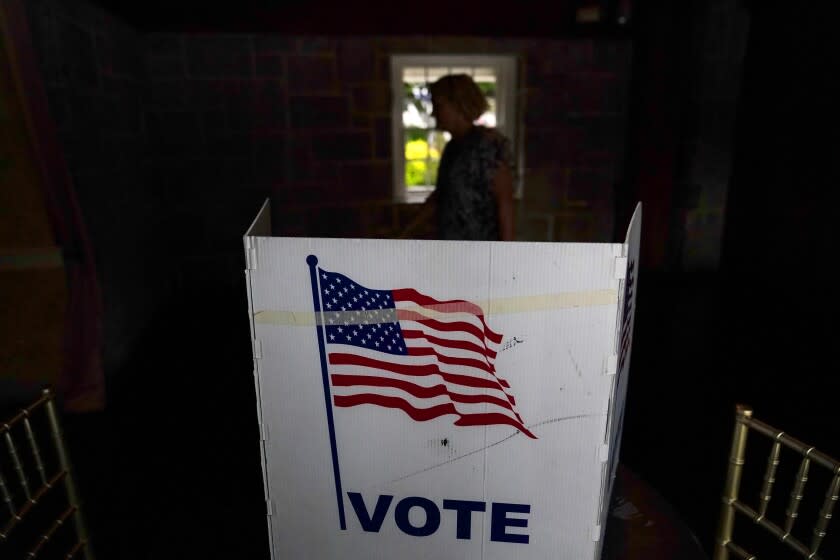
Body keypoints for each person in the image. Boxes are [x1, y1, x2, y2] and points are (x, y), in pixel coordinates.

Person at [399, 74, 515, 241]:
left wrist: (506, 256)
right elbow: (441, 196)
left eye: (438, 106)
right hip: (452, 249)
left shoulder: (488, 146)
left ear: (459, 105)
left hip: (481, 251)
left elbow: (505, 203)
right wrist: (406, 231)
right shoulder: (453, 148)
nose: (433, 113)